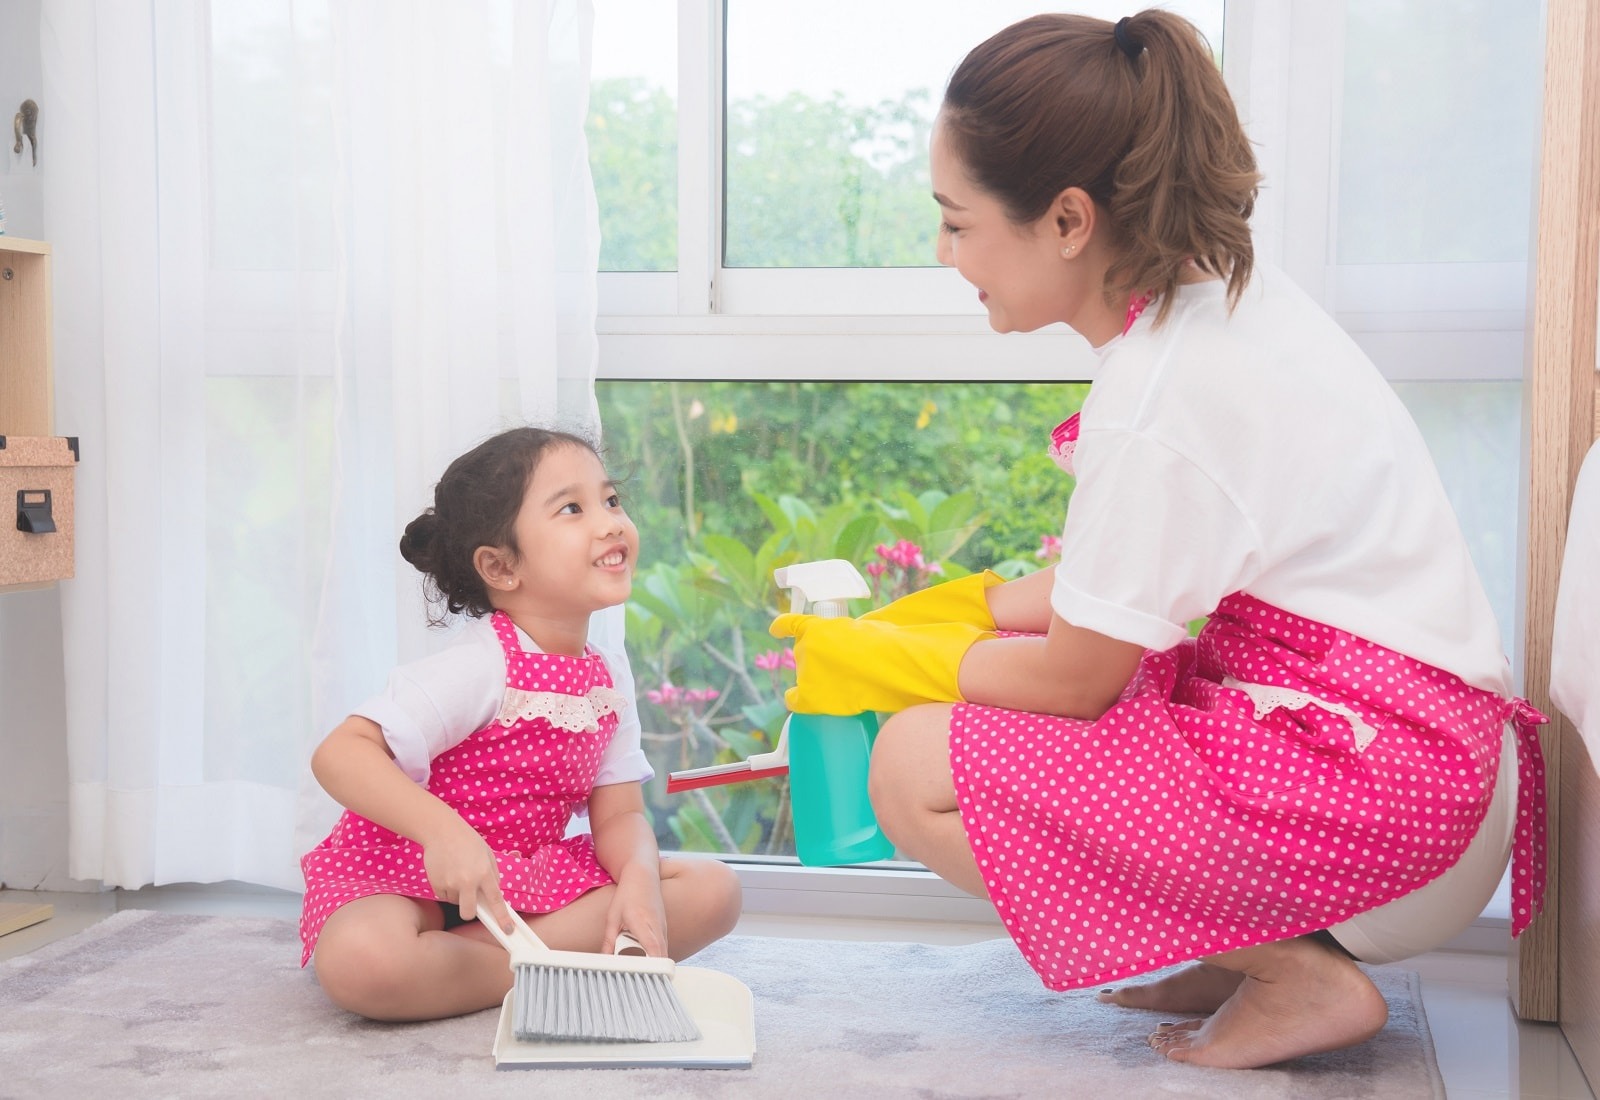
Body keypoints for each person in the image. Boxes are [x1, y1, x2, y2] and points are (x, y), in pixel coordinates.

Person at [771, 10, 1546, 1070]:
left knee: (912, 763)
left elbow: (1078, 678)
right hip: (1411, 751)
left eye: (956, 222)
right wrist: (967, 606)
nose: (946, 254)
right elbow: (1115, 583)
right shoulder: (1212, 302)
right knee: (1055, 707)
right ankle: (1227, 945)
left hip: (1389, 790)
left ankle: (1288, 968)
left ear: (1068, 220)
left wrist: (897, 662)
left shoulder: (1163, 391)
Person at [300, 426, 742, 1022]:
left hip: (522, 883)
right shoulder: (479, 664)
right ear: (502, 567)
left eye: (611, 500)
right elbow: (341, 753)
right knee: (363, 960)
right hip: (413, 869)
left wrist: (638, 881)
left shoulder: (608, 676)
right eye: (572, 508)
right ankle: (549, 967)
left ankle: (488, 965)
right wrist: (445, 834)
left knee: (714, 892)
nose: (611, 522)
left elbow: (621, 814)